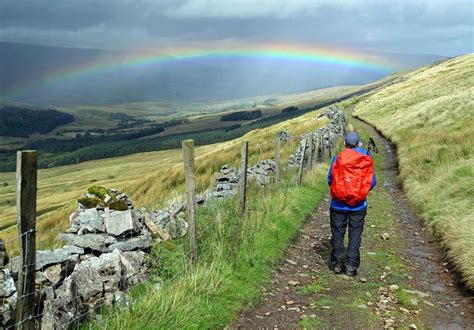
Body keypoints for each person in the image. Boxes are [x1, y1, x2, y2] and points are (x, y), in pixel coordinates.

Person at [327, 132, 377, 276]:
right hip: (359, 205)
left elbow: (330, 179)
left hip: (337, 204)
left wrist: (340, 191)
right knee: (355, 234)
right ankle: (351, 266)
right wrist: (359, 192)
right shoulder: (365, 159)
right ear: (358, 143)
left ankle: (337, 264)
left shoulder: (338, 158)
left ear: (345, 144)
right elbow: (372, 181)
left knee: (338, 233)